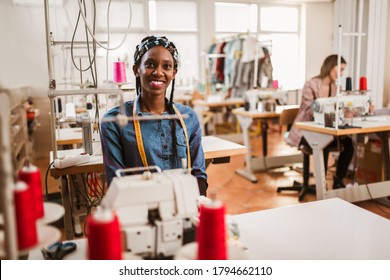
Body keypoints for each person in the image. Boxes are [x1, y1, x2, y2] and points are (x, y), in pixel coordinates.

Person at [100, 35, 208, 195]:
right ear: (137, 69)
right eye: (150, 64)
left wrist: (196, 204)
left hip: (184, 204)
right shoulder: (114, 121)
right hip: (140, 206)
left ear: (174, 73)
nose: (159, 72)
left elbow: (199, 175)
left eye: (167, 66)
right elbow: (117, 181)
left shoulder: (188, 117)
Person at [287, 54, 353, 189]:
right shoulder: (311, 84)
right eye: (339, 69)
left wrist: (351, 111)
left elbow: (341, 107)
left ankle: (338, 180)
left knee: (349, 145)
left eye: (343, 71)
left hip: (326, 130)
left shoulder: (336, 88)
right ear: (330, 66)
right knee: (325, 144)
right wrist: (331, 112)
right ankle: (321, 187)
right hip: (305, 132)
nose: (341, 74)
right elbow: (309, 109)